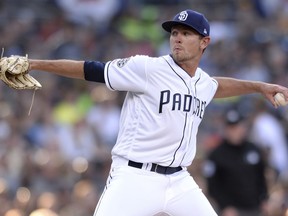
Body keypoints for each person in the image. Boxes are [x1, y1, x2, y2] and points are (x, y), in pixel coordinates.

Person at [13, 9, 288, 216]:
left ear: (205, 42)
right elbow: (92, 69)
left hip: (179, 179)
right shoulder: (147, 68)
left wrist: (258, 86)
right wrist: (34, 64)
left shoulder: (201, 81)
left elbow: (216, 86)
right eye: (175, 33)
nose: (177, 38)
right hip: (135, 176)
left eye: (186, 33)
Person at [203, 109, 268, 216]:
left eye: (237, 127)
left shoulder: (253, 150)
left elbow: (261, 175)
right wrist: (224, 206)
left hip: (256, 208)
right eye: (231, 128)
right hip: (232, 211)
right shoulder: (216, 155)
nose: (234, 131)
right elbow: (212, 185)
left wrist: (264, 198)